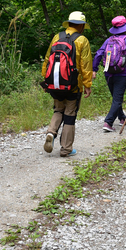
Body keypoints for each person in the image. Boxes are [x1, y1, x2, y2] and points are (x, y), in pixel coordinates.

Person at [41, 11, 93, 157]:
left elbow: (47, 59)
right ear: (81, 26)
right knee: (70, 114)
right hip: (73, 85)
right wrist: (87, 84)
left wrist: (47, 81)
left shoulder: (57, 37)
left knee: (58, 110)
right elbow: (86, 65)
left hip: (55, 83)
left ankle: (51, 133)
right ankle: (66, 149)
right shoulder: (82, 40)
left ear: (69, 23)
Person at [92, 15, 126, 132]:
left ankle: (122, 117)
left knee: (116, 97)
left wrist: (94, 69)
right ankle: (108, 122)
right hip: (122, 73)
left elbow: (98, 54)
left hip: (108, 73)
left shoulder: (108, 40)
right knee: (117, 99)